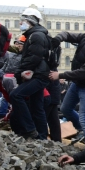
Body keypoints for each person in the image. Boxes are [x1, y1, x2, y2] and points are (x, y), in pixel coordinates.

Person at [10, 8, 51, 139]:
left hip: (38, 74)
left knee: (16, 95)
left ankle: (29, 129)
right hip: (40, 73)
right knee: (37, 107)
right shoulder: (35, 34)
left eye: (23, 20)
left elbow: (33, 58)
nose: (20, 23)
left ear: (30, 21)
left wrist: (19, 72)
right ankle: (42, 137)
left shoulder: (36, 35)